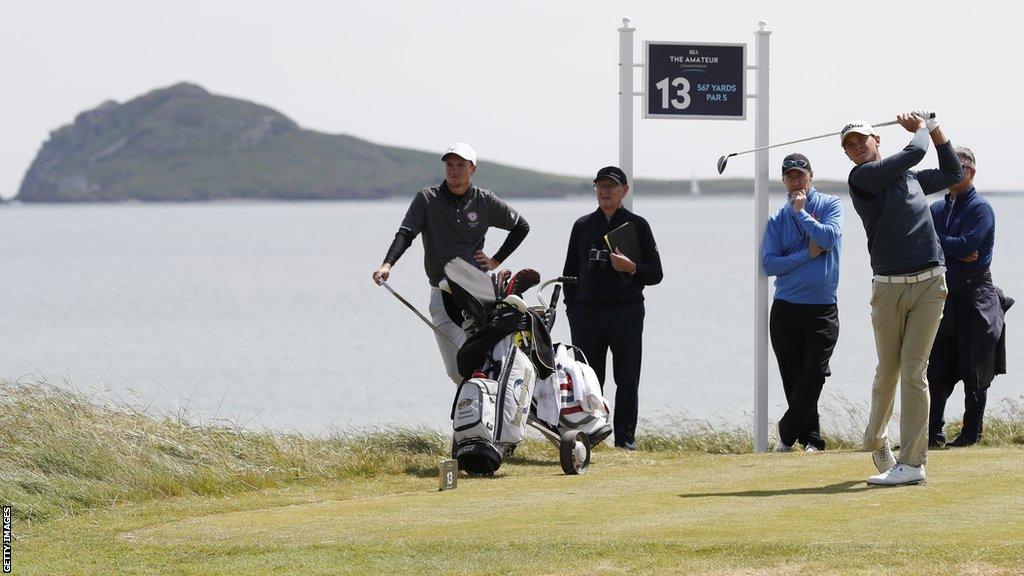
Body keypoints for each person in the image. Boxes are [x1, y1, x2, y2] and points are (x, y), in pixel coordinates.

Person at [842, 111, 963, 486]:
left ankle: (912, 463)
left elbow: (953, 175)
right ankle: (876, 440)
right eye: (849, 144)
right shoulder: (862, 179)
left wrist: (938, 129)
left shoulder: (909, 179)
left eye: (863, 139)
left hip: (930, 283)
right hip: (889, 287)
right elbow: (913, 153)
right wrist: (922, 130)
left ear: (877, 140)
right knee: (888, 372)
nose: (857, 146)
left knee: (914, 370)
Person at [371, 142, 530, 385]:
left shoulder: (484, 201)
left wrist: (496, 260)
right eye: (449, 165)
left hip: (477, 292)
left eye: (460, 166)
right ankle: (473, 415)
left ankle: (490, 416)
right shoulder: (427, 199)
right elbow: (406, 233)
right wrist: (387, 264)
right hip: (441, 295)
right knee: (456, 371)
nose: (454, 170)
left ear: (472, 169)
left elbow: (521, 226)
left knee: (480, 360)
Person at [562, 166, 663, 450]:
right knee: (588, 381)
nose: (604, 192)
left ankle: (625, 440)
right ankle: (589, 439)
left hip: (626, 313)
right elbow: (569, 274)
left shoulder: (638, 225)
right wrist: (572, 310)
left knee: (627, 379)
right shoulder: (582, 226)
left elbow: (655, 274)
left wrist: (632, 268)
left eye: (611, 186)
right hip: (587, 315)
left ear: (624, 191)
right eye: (600, 186)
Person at [927, 147, 1013, 448]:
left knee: (974, 369)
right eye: (947, 166)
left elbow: (969, 247)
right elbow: (932, 246)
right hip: (944, 296)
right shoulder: (936, 209)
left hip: (976, 295)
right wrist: (952, 248)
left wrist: (943, 244)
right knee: (936, 370)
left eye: (959, 167)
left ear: (971, 172)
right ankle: (931, 435)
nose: (952, 172)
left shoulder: (980, 208)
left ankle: (970, 435)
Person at [761, 153, 843, 453]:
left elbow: (829, 236)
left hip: (822, 306)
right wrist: (806, 254)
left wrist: (802, 215)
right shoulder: (776, 219)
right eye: (790, 176)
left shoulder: (830, 205)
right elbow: (769, 264)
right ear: (783, 181)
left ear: (811, 176)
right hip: (785, 307)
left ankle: (785, 433)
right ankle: (813, 440)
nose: (796, 181)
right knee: (794, 380)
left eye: (801, 175)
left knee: (814, 375)